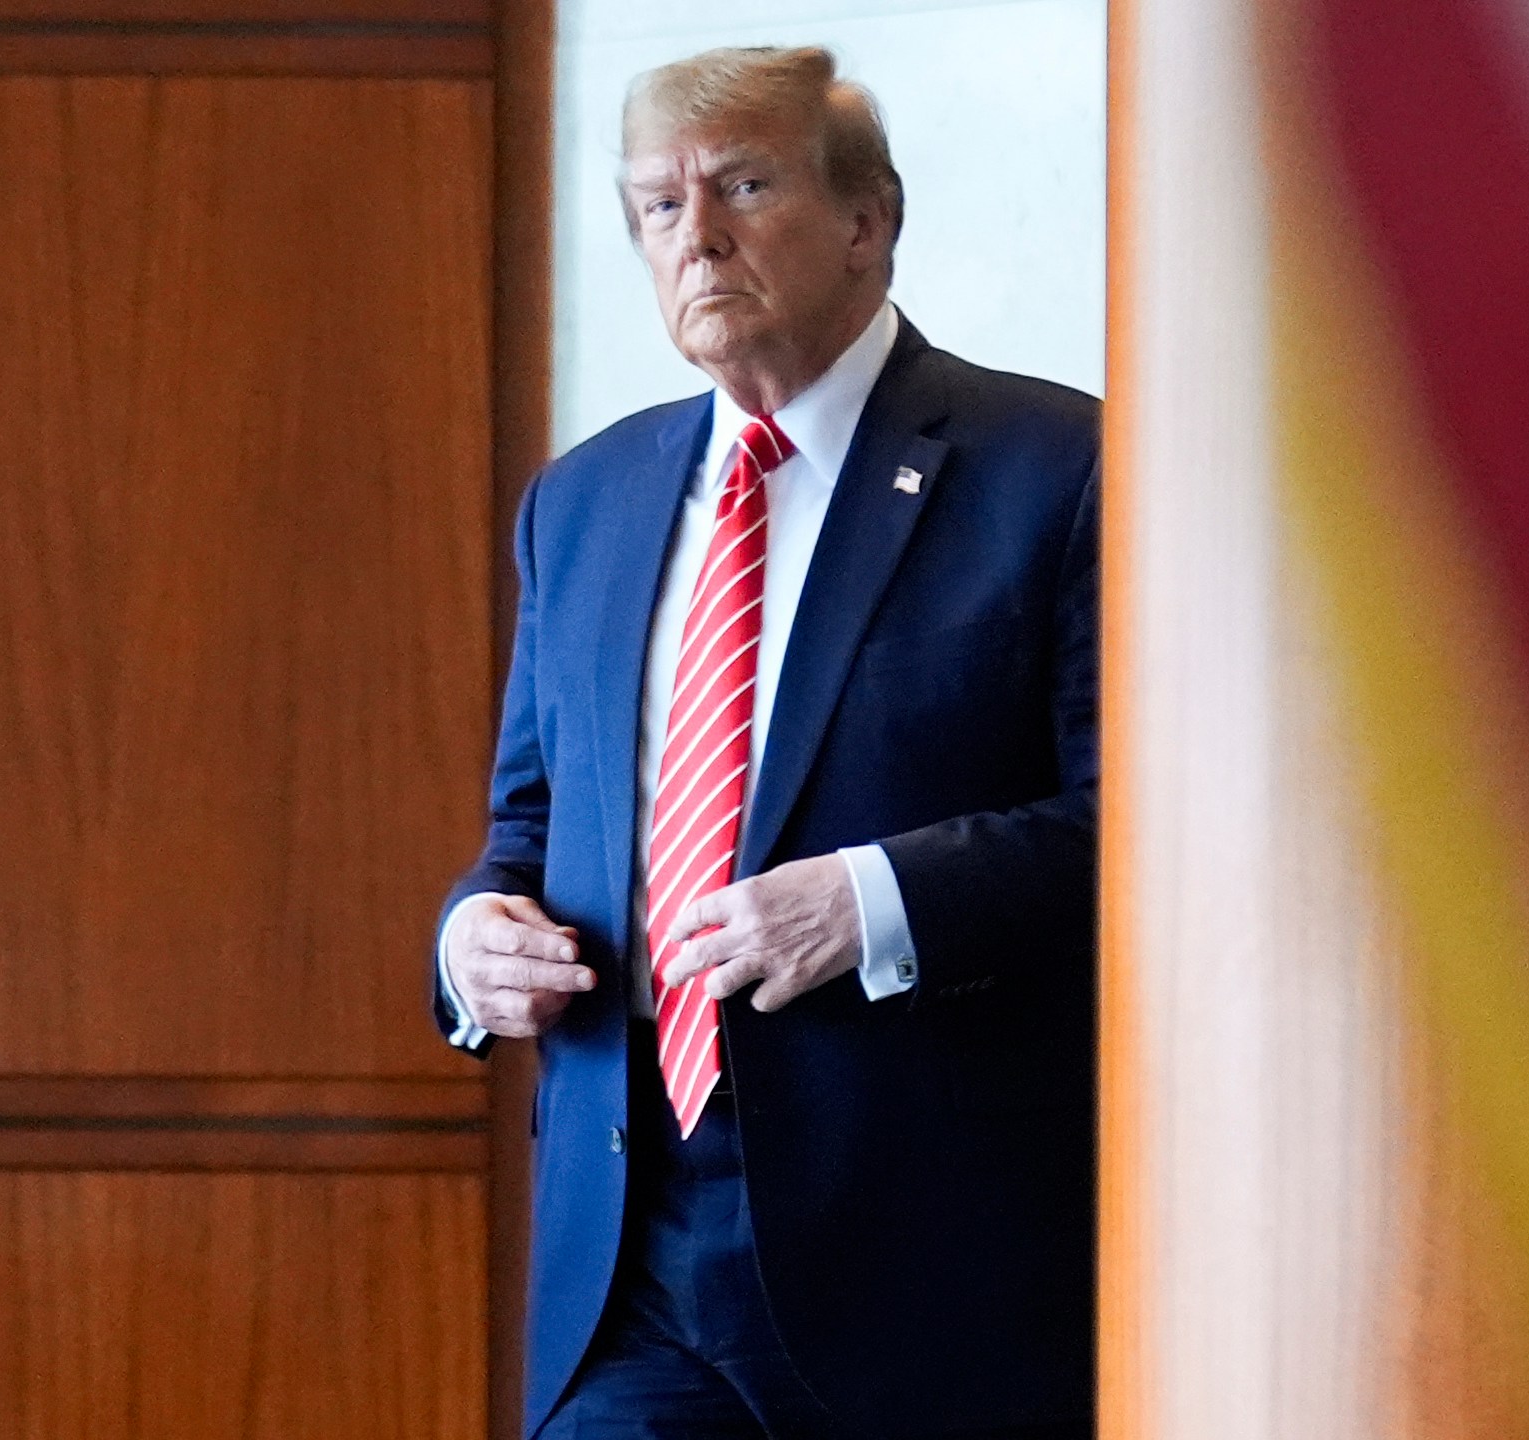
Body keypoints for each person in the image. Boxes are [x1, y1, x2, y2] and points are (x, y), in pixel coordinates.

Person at [435, 45, 1098, 1439]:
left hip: (924, 1268)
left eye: (742, 185)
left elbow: (1141, 836)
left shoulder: (1057, 467)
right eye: (657, 208)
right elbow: (530, 824)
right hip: (631, 1254)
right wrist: (473, 940)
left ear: (869, 218)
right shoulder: (586, 502)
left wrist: (869, 905)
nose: (700, 237)